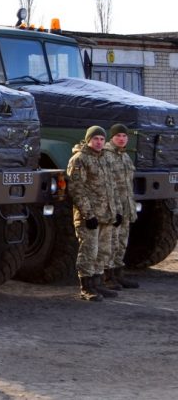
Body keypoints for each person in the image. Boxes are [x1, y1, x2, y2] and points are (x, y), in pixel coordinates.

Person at [66, 125, 121, 302]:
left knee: (103, 251)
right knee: (89, 250)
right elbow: (77, 189)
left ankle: (98, 283)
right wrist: (87, 214)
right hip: (89, 216)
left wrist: (117, 211)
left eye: (102, 139)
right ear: (88, 139)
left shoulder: (106, 159)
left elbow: (113, 188)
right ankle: (86, 286)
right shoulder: (79, 159)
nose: (99, 142)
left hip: (107, 214)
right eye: (95, 139)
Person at [104, 123, 140, 289]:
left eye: (124, 136)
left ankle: (118, 274)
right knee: (110, 242)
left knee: (121, 242)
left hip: (126, 208)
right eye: (118, 135)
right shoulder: (106, 155)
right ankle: (107, 277)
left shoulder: (125, 156)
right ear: (112, 137)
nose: (121, 138)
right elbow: (104, 185)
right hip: (113, 208)